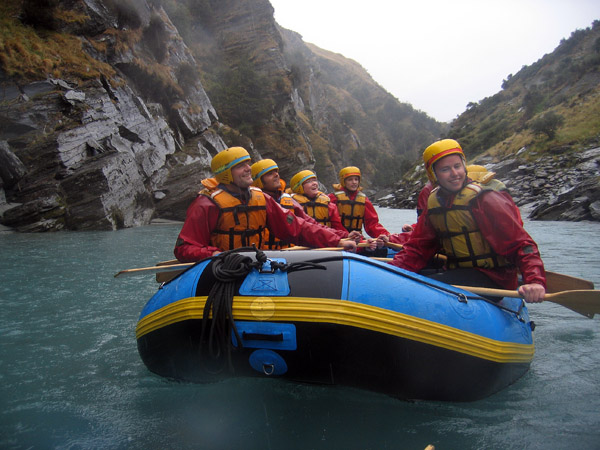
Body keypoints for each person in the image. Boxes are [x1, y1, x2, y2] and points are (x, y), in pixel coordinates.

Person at [389, 139, 546, 303]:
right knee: (412, 280)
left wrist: (535, 281)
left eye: (457, 166)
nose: (454, 173)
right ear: (433, 174)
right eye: (445, 169)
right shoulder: (434, 203)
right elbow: (418, 248)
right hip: (460, 272)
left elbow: (522, 244)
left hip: (494, 278)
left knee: (425, 287)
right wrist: (391, 271)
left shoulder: (485, 199)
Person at [174, 147, 356, 262]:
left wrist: (338, 240)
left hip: (256, 262)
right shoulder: (206, 204)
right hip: (224, 269)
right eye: (240, 166)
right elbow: (184, 248)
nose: (248, 169)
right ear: (225, 174)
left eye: (248, 164)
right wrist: (214, 255)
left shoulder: (261, 199)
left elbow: (297, 228)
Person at [250, 158, 349, 249]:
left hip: (290, 253)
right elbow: (297, 227)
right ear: (258, 180)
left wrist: (344, 235)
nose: (276, 175)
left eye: (276, 171)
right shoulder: (255, 201)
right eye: (269, 173)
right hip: (266, 254)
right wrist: (336, 241)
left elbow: (311, 224)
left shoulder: (287, 199)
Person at [328, 166, 390, 252]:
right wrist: (347, 236)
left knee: (380, 250)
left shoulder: (363, 200)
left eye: (356, 179)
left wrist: (386, 235)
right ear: (343, 181)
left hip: (358, 239)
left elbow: (372, 224)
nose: (354, 182)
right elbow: (334, 224)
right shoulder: (333, 198)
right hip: (339, 238)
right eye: (350, 180)